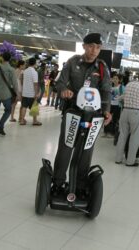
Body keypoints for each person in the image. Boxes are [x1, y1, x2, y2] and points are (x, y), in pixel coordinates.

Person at [52, 33, 112, 193]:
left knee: (86, 149)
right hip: (73, 111)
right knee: (66, 146)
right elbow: (60, 82)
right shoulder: (73, 62)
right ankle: (57, 182)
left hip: (93, 115)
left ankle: (79, 185)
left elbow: (106, 90)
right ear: (84, 46)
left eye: (98, 47)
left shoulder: (102, 67)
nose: (94, 50)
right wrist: (64, 90)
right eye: (91, 46)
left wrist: (107, 111)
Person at [115, 70, 139, 167]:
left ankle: (118, 159)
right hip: (136, 112)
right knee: (134, 137)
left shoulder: (129, 84)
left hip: (125, 111)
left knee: (122, 135)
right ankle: (130, 161)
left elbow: (123, 97)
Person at [0, 52, 19, 136]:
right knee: (8, 110)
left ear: (2, 58)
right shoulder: (11, 70)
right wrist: (17, 94)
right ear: (9, 59)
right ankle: (0, 126)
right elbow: (14, 83)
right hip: (7, 94)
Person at [19, 58, 41, 126]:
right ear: (34, 63)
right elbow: (35, 84)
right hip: (32, 94)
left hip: (25, 93)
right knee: (34, 106)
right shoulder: (34, 72)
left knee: (24, 107)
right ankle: (35, 121)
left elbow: (22, 81)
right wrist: (36, 93)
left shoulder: (25, 71)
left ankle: (22, 120)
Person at [103, 72, 124, 137]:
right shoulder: (109, 86)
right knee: (106, 117)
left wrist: (120, 98)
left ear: (119, 80)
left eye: (116, 78)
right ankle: (106, 132)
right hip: (109, 105)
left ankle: (112, 133)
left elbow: (124, 95)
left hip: (117, 105)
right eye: (114, 78)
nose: (114, 80)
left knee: (114, 119)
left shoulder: (121, 87)